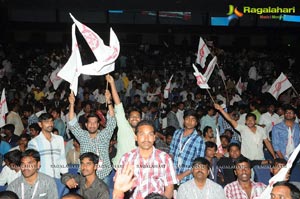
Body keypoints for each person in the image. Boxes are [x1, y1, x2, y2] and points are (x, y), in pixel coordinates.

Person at [118, 120, 177, 199]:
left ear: (154, 137)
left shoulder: (165, 158)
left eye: (150, 134)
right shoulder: (126, 158)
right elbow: (119, 188)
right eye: (142, 134)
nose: (146, 138)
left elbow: (169, 189)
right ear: (135, 137)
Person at [68, 89, 116, 183]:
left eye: (95, 123)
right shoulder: (82, 135)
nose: (92, 125)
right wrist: (72, 104)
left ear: (98, 125)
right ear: (86, 125)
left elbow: (112, 122)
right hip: (85, 175)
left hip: (103, 175)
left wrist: (109, 101)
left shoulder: (104, 135)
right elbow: (72, 124)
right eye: (90, 123)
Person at [106, 74, 140, 167]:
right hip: (120, 167)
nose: (134, 119)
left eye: (137, 117)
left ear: (141, 119)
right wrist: (112, 83)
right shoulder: (123, 125)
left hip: (136, 169)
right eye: (132, 117)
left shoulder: (143, 133)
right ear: (128, 119)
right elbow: (118, 104)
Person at [170, 109, 206, 184]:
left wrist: (181, 176)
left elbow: (198, 163)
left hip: (187, 178)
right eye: (187, 119)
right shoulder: (177, 133)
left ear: (196, 123)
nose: (189, 121)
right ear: (184, 120)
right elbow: (171, 151)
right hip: (173, 175)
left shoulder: (199, 140)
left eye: (193, 119)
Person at [27, 113, 68, 178]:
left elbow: (62, 159)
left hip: (57, 178)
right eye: (46, 122)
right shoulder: (34, 142)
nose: (50, 124)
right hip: (42, 180)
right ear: (40, 124)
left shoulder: (59, 139)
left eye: (51, 121)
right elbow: (32, 163)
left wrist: (65, 175)